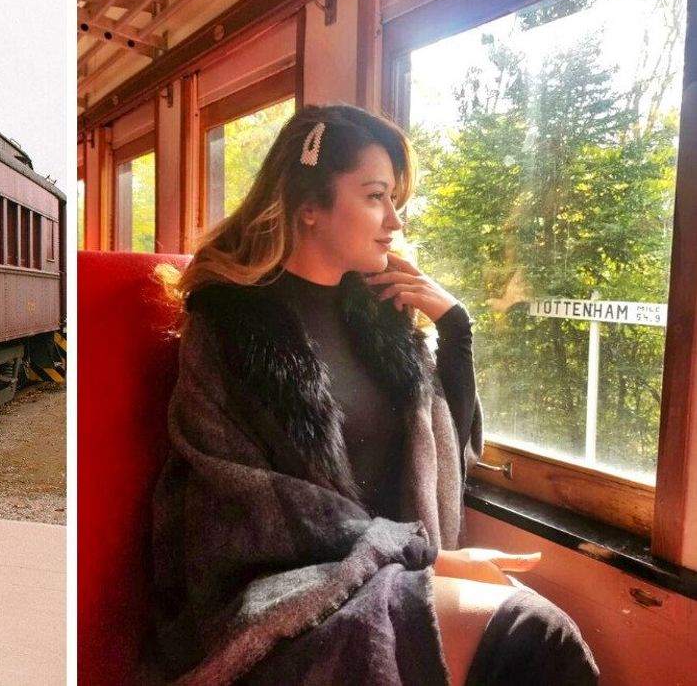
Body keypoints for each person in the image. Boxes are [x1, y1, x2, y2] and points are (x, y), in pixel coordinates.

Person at [148, 105, 598, 686]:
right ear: (309, 206)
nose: (395, 220)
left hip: (393, 574)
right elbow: (239, 502)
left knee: (535, 635)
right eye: (375, 197)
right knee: (536, 636)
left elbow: (449, 456)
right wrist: (425, 557)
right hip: (283, 600)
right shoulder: (228, 325)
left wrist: (456, 328)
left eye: (395, 200)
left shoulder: (382, 318)